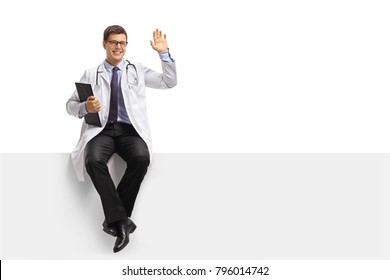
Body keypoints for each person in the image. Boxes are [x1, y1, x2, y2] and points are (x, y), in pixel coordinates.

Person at [66, 25, 177, 253]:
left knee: (141, 158)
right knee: (93, 160)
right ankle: (123, 222)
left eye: (122, 43)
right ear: (104, 44)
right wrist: (85, 107)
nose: (118, 47)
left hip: (130, 131)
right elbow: (70, 105)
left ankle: (115, 221)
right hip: (102, 131)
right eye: (114, 42)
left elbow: (169, 82)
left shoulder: (136, 69)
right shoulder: (90, 73)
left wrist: (163, 54)